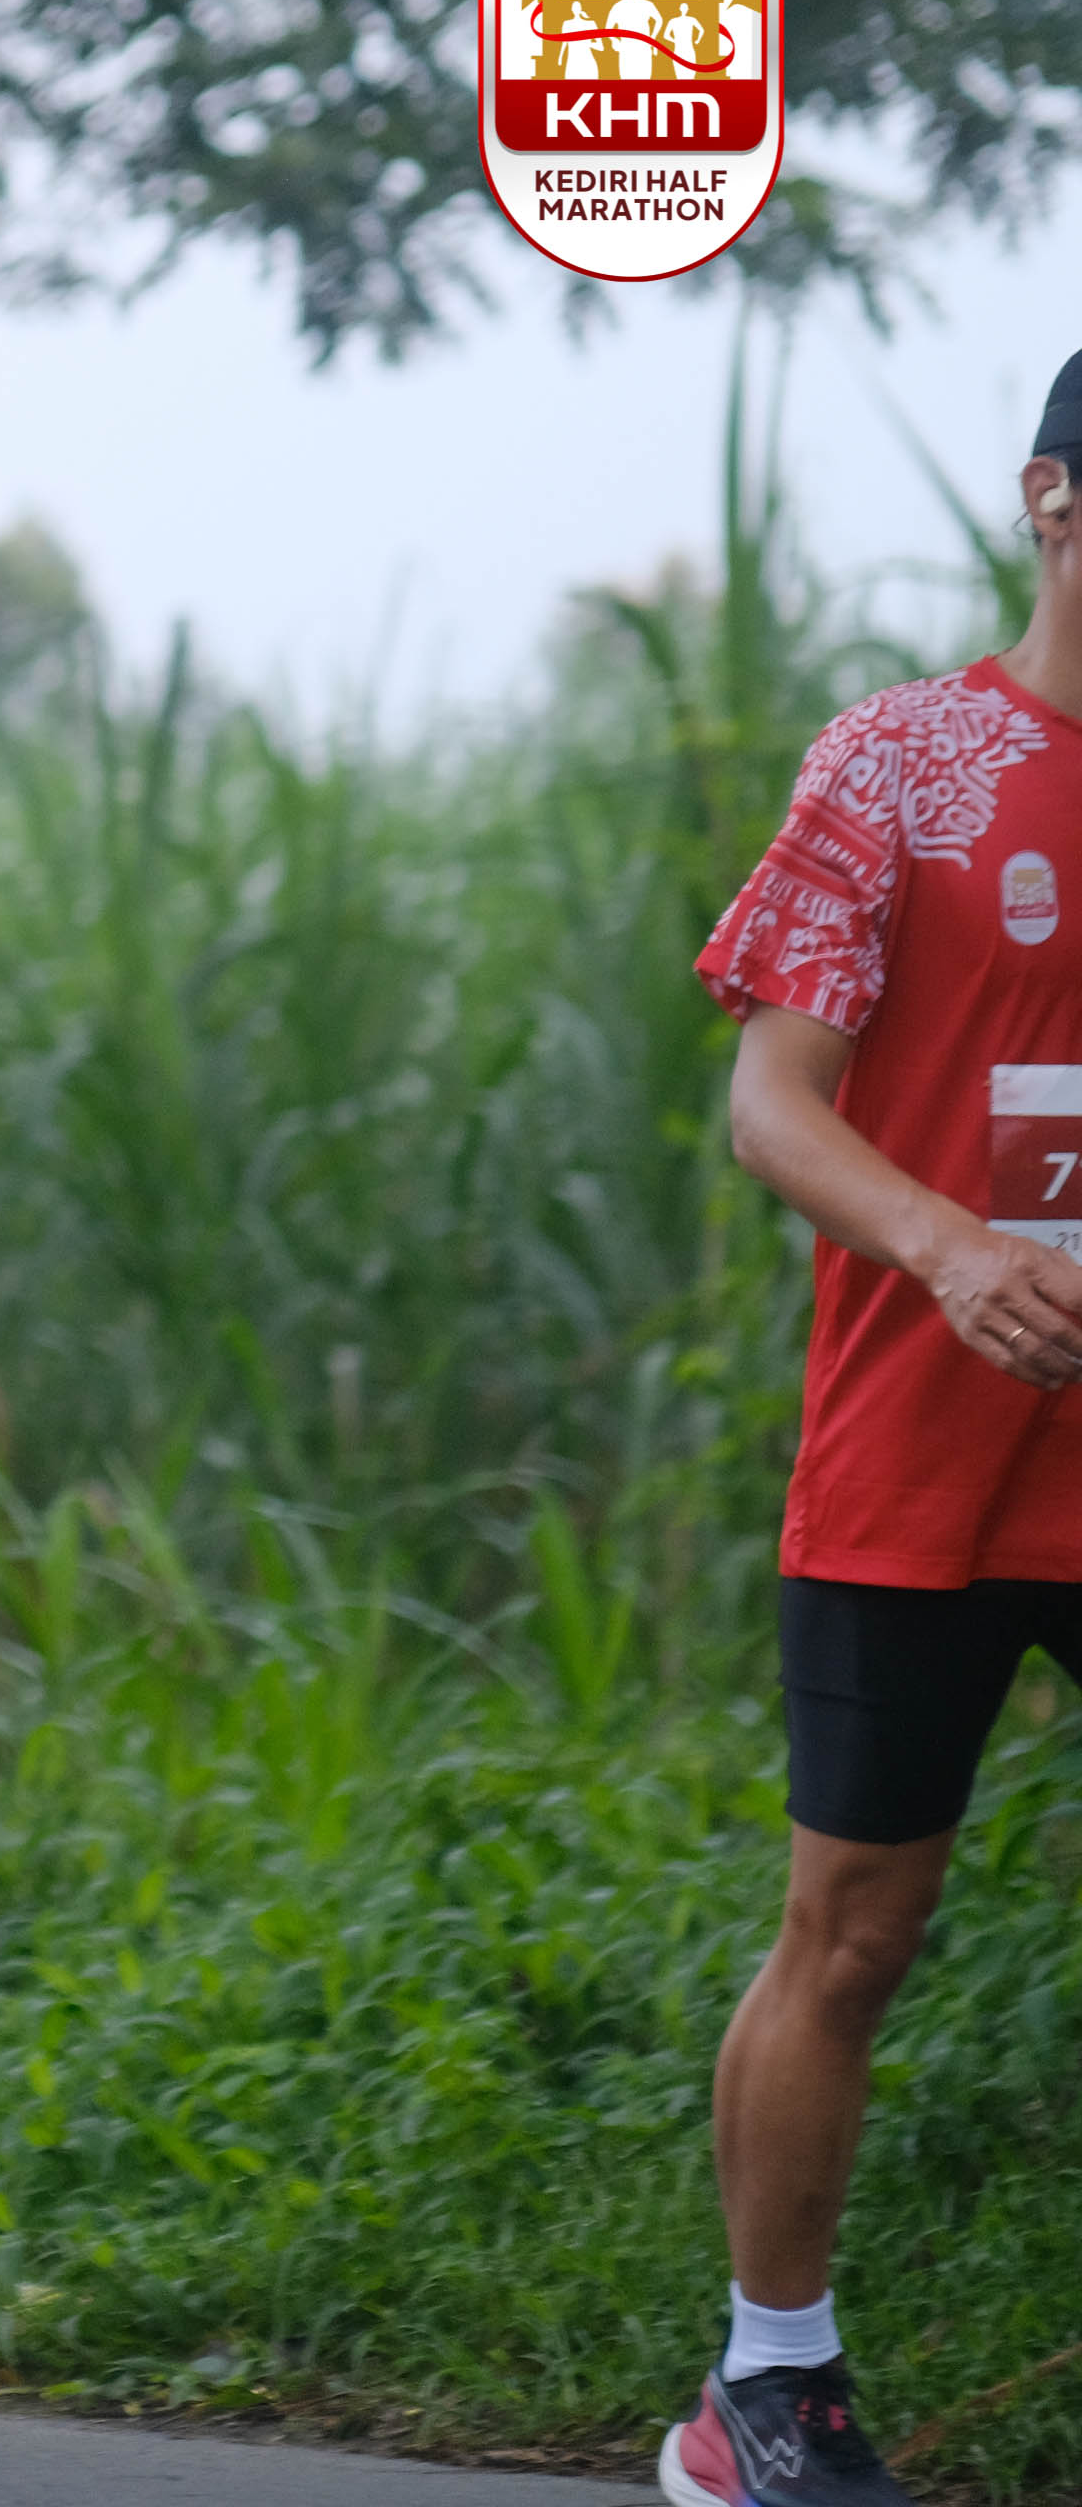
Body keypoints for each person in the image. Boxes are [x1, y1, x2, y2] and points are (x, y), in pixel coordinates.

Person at [674, 354, 1082, 2507]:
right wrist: (946, 1245)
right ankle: (766, 2390)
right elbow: (773, 1104)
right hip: (923, 1455)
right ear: (1051, 499)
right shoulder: (903, 765)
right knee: (852, 1930)